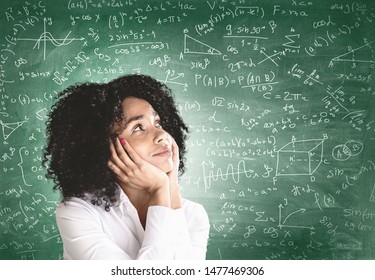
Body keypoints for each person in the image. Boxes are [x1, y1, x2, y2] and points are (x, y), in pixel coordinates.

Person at [43, 74, 210, 259]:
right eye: (138, 127)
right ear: (102, 147)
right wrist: (160, 189)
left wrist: (169, 187)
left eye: (157, 122)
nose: (162, 134)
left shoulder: (194, 216)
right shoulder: (78, 213)